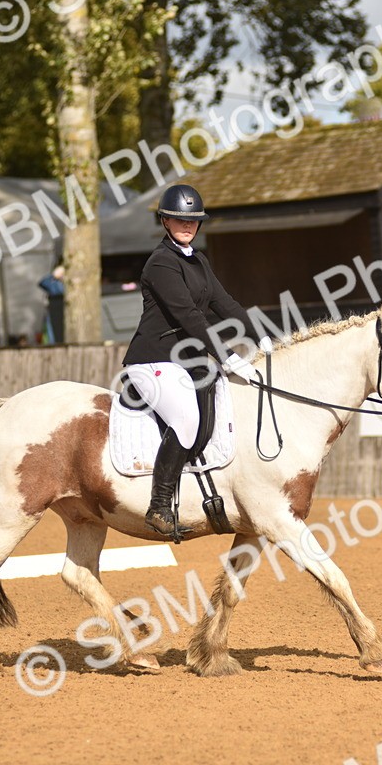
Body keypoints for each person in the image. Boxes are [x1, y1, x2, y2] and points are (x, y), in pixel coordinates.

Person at [122, 184, 270, 539]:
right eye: (179, 219)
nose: (187, 225)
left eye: (193, 220)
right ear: (165, 221)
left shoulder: (198, 260)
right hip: (153, 360)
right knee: (186, 419)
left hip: (188, 362)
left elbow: (225, 304)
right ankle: (159, 506)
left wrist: (263, 335)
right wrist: (227, 355)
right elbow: (189, 316)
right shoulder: (160, 263)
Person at [38, 266, 66, 344]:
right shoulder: (54, 284)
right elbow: (42, 283)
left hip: (63, 311)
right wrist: (53, 275)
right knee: (54, 334)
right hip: (55, 311)